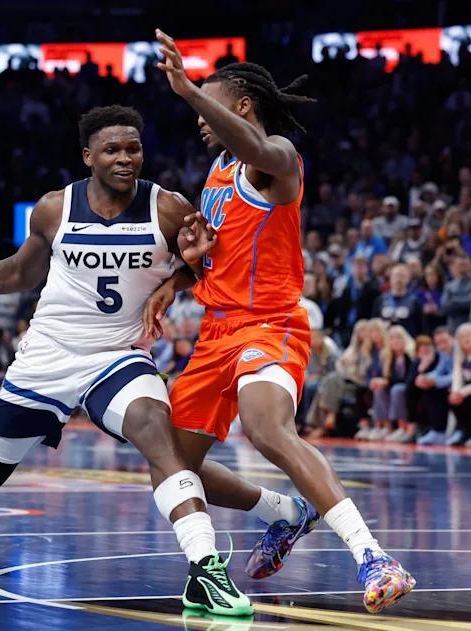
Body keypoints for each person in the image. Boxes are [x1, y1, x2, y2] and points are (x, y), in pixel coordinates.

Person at [0, 105, 308, 617]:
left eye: (134, 148)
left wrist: (173, 283)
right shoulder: (55, 209)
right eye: (112, 150)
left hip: (118, 356)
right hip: (47, 357)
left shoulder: (168, 208)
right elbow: (17, 274)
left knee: (158, 435)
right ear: (88, 157)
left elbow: (210, 264)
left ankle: (205, 569)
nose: (126, 158)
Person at [150, 33, 413, 613]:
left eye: (211, 105)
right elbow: (220, 259)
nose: (200, 119)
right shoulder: (218, 174)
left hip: (270, 323)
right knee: (172, 466)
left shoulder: (279, 160)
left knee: (267, 429)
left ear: (241, 105)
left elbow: (261, 149)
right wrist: (184, 273)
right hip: (214, 332)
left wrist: (190, 90)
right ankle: (286, 511)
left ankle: (374, 557)